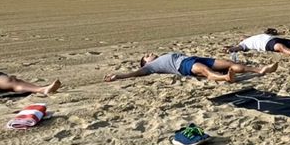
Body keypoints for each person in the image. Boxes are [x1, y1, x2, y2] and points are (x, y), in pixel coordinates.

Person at [104, 52, 278, 83]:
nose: (149, 53)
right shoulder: (152, 67)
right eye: (146, 56)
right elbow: (134, 73)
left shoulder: (162, 56)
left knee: (229, 63)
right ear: (146, 62)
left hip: (192, 58)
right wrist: (118, 76)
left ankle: (260, 69)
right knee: (205, 71)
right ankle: (225, 78)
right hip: (184, 65)